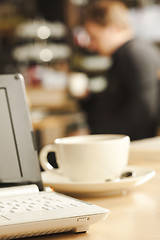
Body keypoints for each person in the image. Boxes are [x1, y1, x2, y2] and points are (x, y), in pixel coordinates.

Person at [76, 0, 160, 141]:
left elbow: (142, 114)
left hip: (130, 146)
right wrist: (87, 100)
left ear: (114, 28)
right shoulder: (134, 51)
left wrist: (93, 136)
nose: (92, 45)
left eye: (94, 37)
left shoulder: (133, 53)